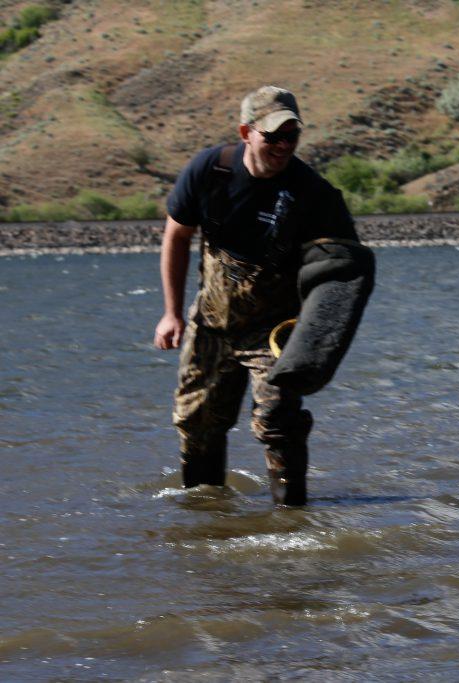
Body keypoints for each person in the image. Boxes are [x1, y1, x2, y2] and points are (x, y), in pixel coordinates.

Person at [153, 85, 364, 506]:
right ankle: (203, 508)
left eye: (292, 135)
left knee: (278, 422)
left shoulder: (313, 195)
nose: (284, 145)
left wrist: (316, 342)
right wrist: (171, 313)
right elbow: (176, 237)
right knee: (197, 422)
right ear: (246, 131)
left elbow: (344, 270)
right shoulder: (210, 170)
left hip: (274, 331)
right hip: (210, 323)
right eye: (273, 136)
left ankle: (290, 516)